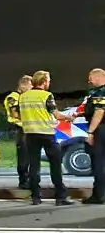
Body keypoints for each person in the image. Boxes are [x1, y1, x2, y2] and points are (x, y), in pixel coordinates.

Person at [18, 70, 75, 206]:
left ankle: (36, 197)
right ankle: (60, 197)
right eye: (48, 80)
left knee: (34, 166)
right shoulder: (46, 95)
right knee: (55, 164)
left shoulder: (23, 97)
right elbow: (56, 114)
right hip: (46, 134)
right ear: (43, 82)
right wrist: (69, 117)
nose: (49, 83)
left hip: (30, 134)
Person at [3, 75, 33, 189]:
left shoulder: (23, 96)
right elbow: (15, 114)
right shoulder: (13, 97)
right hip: (20, 129)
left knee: (29, 156)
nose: (32, 89)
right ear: (23, 85)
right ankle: (23, 181)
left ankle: (29, 180)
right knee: (24, 157)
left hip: (28, 129)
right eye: (31, 86)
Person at [80, 68, 105, 204]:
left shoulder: (101, 92)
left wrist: (90, 132)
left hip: (100, 130)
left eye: (91, 78)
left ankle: (99, 195)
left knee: (99, 163)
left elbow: (99, 112)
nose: (89, 81)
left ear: (98, 78)